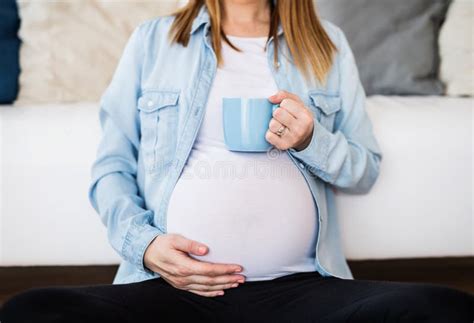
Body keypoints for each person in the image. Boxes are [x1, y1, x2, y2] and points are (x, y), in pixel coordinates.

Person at [1, 0, 473, 322]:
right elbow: (111, 167)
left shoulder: (326, 44)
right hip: (175, 291)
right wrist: (145, 246)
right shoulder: (154, 41)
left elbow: (364, 168)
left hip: (300, 288)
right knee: (31, 311)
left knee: (445, 308)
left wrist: (311, 139)